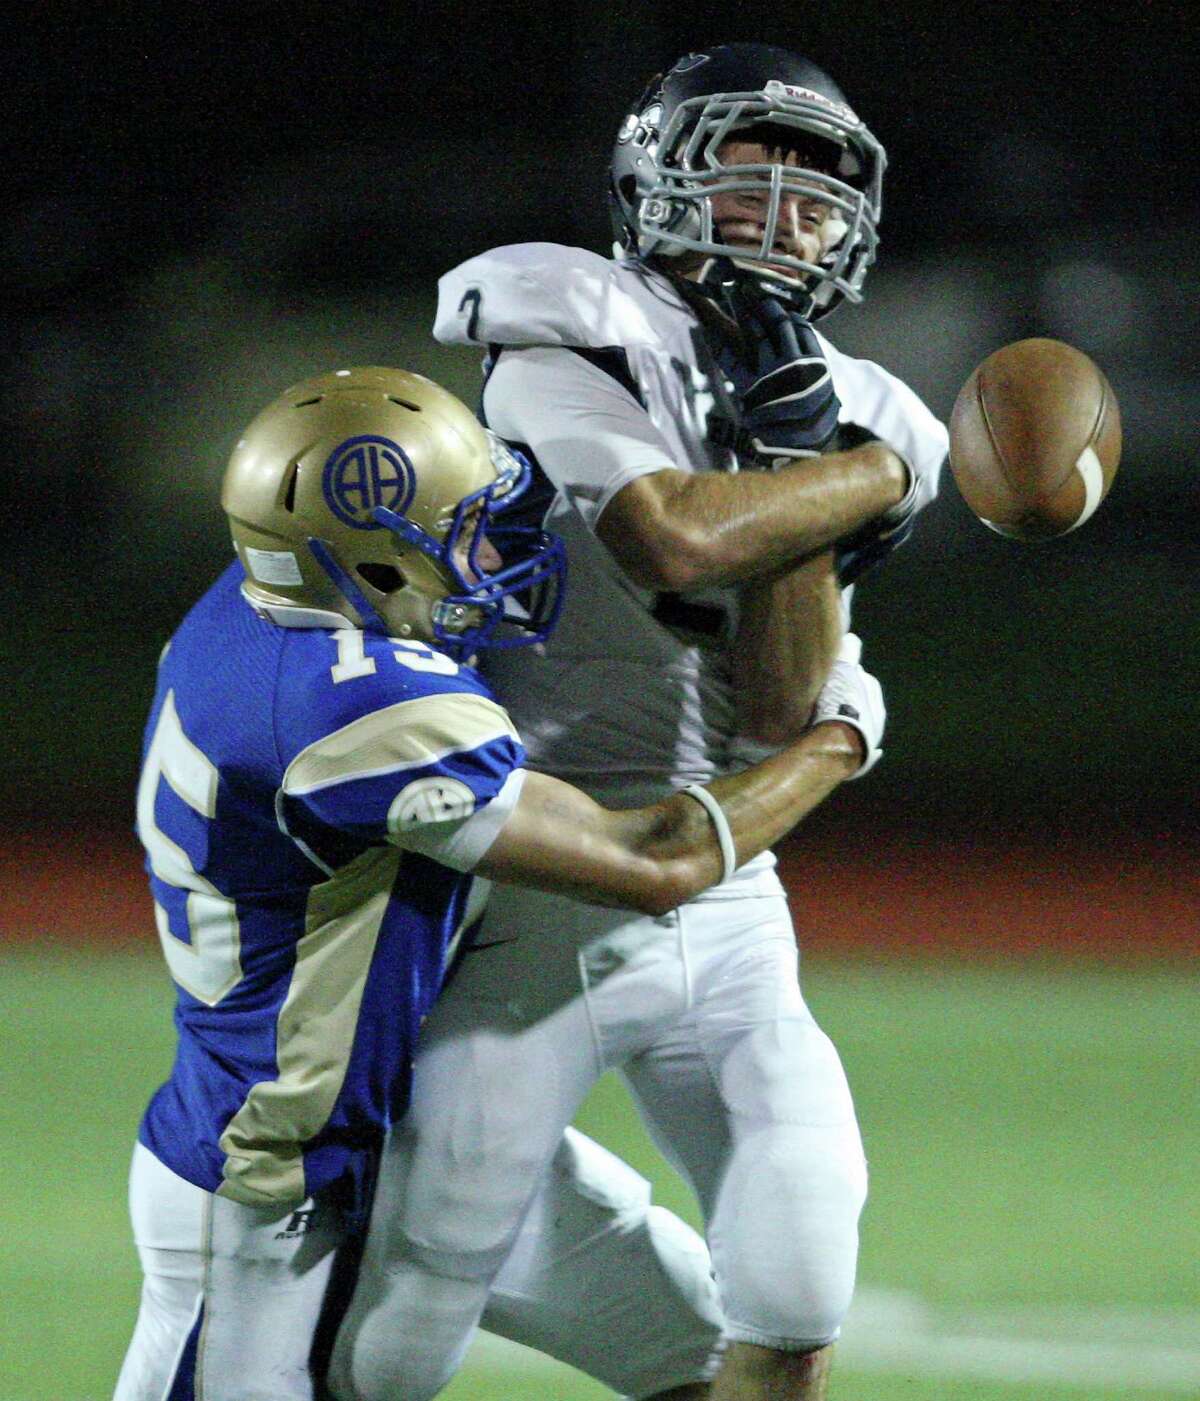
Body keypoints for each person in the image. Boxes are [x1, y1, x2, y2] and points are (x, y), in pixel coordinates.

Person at [329, 43, 949, 1401]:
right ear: (656, 182)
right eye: (747, 180)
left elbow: (780, 705)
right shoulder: (571, 333)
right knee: (428, 1264)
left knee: (799, 1257)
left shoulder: (856, 407)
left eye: (813, 195)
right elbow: (664, 539)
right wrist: (857, 474)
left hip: (732, 889)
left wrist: (810, 467)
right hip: (536, 863)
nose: (784, 217)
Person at [114, 363, 886, 1400]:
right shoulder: (361, 709)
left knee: (710, 1358)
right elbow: (658, 862)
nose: (498, 555)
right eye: (466, 528)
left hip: (389, 1126)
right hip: (276, 1187)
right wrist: (838, 737)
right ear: (371, 561)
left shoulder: (260, 604)